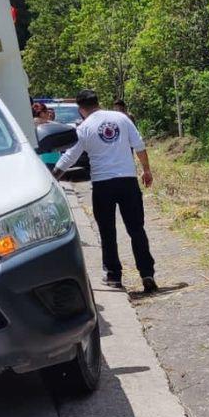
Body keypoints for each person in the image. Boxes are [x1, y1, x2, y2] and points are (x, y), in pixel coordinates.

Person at [53, 89, 157, 292]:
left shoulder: (84, 128)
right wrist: (146, 170)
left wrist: (52, 177)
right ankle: (147, 273)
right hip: (128, 181)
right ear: (98, 102)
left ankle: (113, 276)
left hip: (102, 185)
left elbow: (70, 157)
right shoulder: (122, 118)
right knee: (136, 229)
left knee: (107, 231)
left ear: (81, 109)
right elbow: (140, 146)